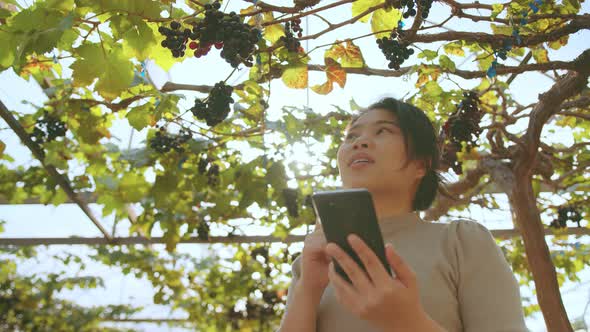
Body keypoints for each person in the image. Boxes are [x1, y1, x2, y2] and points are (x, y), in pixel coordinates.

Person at [277, 97, 529, 332]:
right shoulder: (311, 260)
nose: (359, 142)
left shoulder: (461, 242)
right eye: (352, 136)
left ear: (421, 164)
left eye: (383, 131)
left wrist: (408, 321)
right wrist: (308, 290)